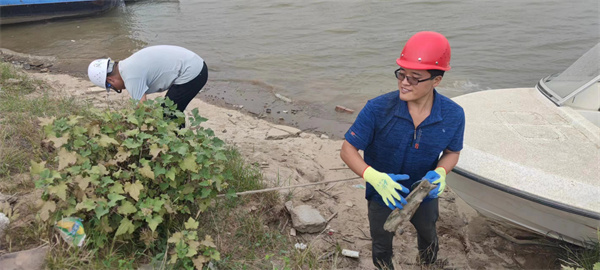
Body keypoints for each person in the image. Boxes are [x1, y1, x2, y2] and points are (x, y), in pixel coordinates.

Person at [340, 31, 465, 269]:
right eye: (402, 74)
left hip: (423, 192)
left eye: (415, 78)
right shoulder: (378, 109)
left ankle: (428, 263)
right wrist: (374, 177)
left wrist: (440, 172)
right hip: (382, 192)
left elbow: (452, 152)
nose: (404, 83)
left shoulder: (453, 114)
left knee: (428, 233)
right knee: (381, 238)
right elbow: (347, 149)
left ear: (436, 80)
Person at [87, 45, 208, 126]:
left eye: (112, 88)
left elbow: (143, 109)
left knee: (168, 115)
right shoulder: (127, 66)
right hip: (192, 63)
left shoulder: (130, 76)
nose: (118, 89)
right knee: (171, 111)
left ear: (110, 80)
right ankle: (180, 141)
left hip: (193, 72)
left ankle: (177, 146)